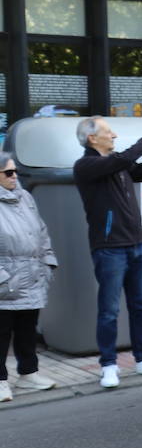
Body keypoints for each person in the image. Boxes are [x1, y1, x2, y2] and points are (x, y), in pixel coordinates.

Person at [74, 115, 142, 389]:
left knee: (140, 306)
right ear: (92, 138)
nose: (115, 136)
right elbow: (121, 160)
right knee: (109, 310)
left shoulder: (117, 163)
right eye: (109, 132)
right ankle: (108, 365)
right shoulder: (87, 165)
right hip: (109, 249)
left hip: (137, 244)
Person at [0, 152, 58, 403]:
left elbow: (42, 232)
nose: (15, 177)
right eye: (8, 173)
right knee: (1, 333)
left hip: (32, 275)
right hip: (5, 280)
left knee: (27, 329)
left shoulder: (25, 198)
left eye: (15, 172)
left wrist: (48, 263)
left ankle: (28, 373)